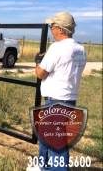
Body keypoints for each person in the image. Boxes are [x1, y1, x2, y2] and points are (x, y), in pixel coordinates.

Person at [34, 12, 87, 170]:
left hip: (55, 100)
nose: (51, 29)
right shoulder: (81, 49)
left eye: (52, 26)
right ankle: (43, 166)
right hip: (69, 99)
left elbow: (40, 73)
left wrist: (38, 62)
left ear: (60, 29)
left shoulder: (57, 48)